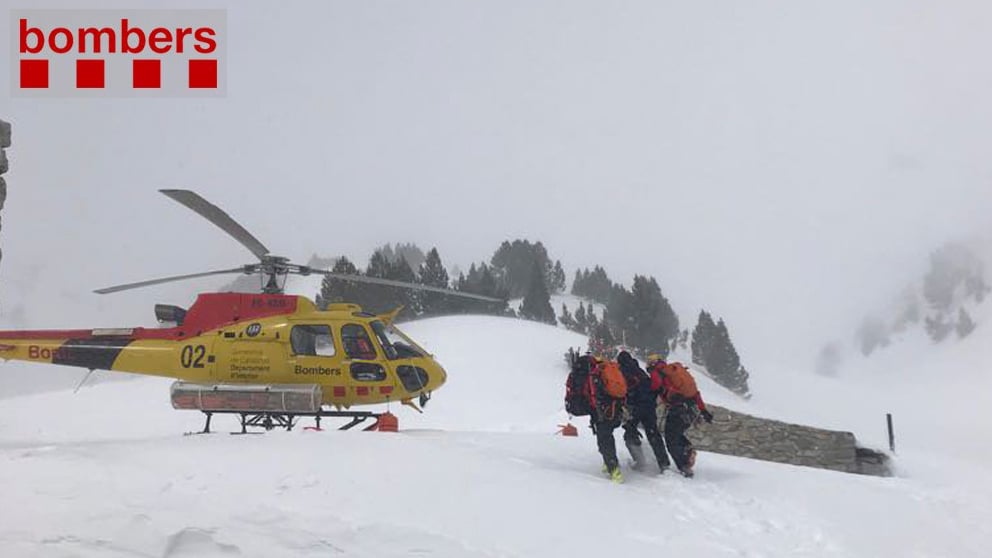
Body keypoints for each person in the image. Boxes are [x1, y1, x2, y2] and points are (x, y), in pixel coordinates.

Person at [647, 357, 714, 477]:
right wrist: (704, 411)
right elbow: (696, 394)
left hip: (678, 409)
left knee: (670, 439)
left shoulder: (657, 372)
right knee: (677, 434)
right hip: (691, 409)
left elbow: (655, 385)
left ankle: (684, 466)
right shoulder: (675, 373)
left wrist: (651, 391)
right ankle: (687, 449)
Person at [617, 350, 670, 473]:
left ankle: (640, 462)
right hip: (650, 406)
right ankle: (664, 464)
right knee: (653, 433)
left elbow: (623, 391)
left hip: (637, 407)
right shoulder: (639, 370)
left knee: (629, 432)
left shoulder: (622, 372)